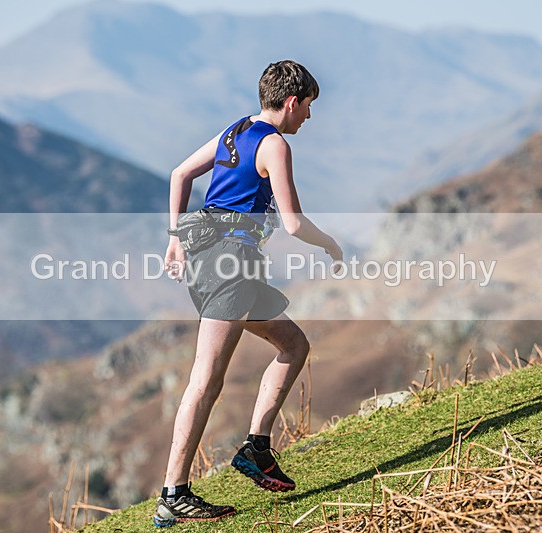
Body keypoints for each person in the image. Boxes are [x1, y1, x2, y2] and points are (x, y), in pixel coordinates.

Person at [154, 60, 343, 528]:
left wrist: (175, 238)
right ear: (292, 101)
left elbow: (181, 174)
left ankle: (256, 447)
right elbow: (295, 223)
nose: (308, 119)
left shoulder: (235, 131)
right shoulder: (275, 144)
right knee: (207, 379)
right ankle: (174, 494)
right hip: (229, 266)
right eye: (308, 108)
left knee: (294, 344)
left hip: (215, 259)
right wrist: (331, 244)